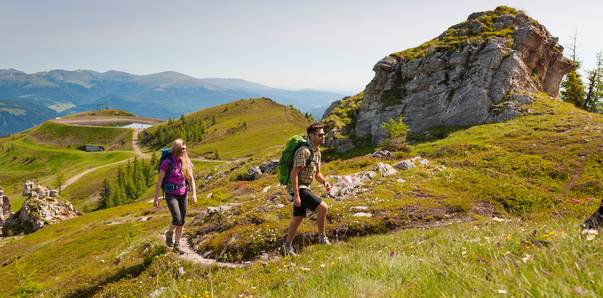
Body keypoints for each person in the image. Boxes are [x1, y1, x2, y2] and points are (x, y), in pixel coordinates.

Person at [283, 123, 331, 256]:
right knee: (323, 208)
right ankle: (322, 238)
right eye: (320, 135)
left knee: (298, 217)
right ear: (311, 135)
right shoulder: (304, 151)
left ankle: (287, 247)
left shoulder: (317, 151)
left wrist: (324, 182)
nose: (323, 137)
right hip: (300, 188)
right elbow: (294, 173)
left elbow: (317, 173)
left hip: (306, 187)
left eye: (323, 134)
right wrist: (297, 195)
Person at [153, 138, 197, 253]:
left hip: (183, 194)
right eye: (183, 149)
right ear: (177, 149)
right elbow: (159, 181)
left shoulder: (185, 161)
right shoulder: (166, 163)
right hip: (171, 195)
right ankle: (169, 233)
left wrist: (194, 194)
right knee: (177, 218)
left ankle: (177, 245)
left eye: (185, 148)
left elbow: (191, 179)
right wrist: (156, 198)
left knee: (181, 221)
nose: (185, 150)